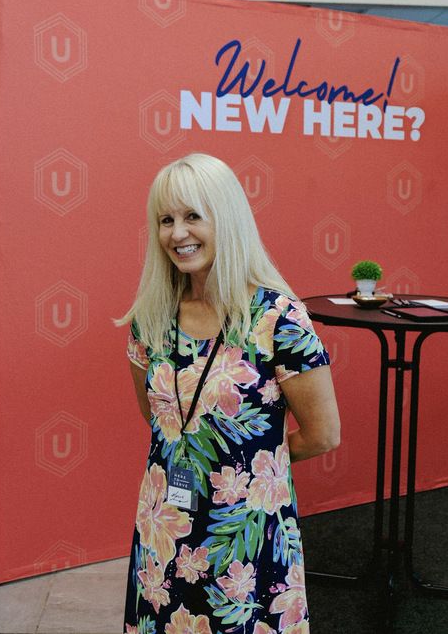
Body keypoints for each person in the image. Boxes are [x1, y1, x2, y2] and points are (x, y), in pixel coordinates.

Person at [117, 152, 340, 634]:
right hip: (164, 526)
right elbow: (160, 421)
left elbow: (323, 434)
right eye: (166, 220)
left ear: (227, 218)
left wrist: (249, 466)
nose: (178, 233)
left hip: (246, 538)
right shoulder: (150, 319)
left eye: (193, 216)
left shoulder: (278, 318)